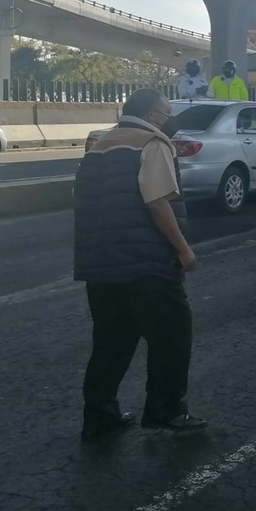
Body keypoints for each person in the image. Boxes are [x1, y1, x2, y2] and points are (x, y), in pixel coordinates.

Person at [73, 88, 206, 437]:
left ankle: (100, 413)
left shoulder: (99, 146)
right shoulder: (152, 143)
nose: (168, 119)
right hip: (146, 262)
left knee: (111, 340)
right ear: (150, 114)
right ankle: (166, 410)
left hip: (101, 262)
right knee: (172, 335)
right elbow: (157, 201)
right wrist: (183, 249)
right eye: (165, 113)